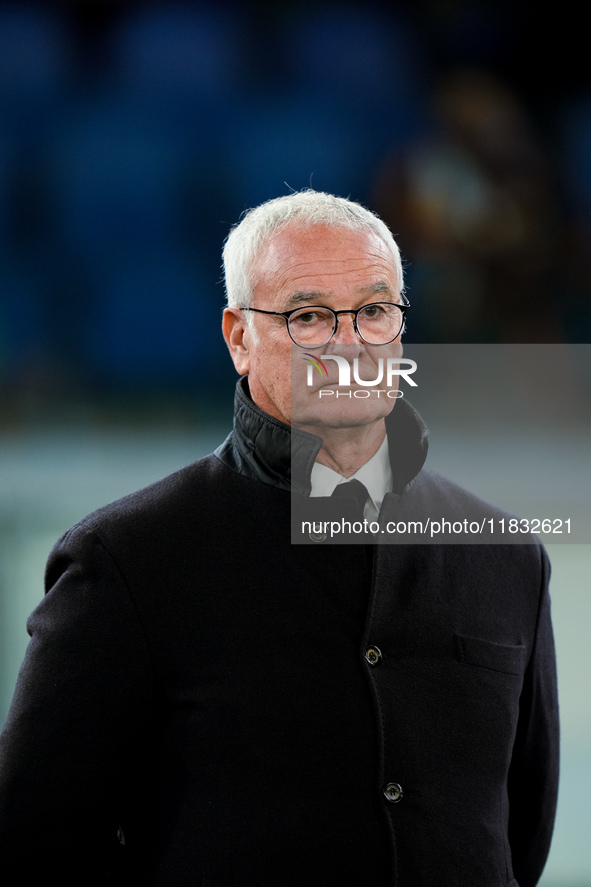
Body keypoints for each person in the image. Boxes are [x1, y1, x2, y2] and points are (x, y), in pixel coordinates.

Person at [0, 191, 558, 886]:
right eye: (308, 315)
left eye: (375, 310)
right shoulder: (125, 559)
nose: (349, 341)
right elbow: (36, 842)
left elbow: (517, 836)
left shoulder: (505, 556)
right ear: (238, 337)